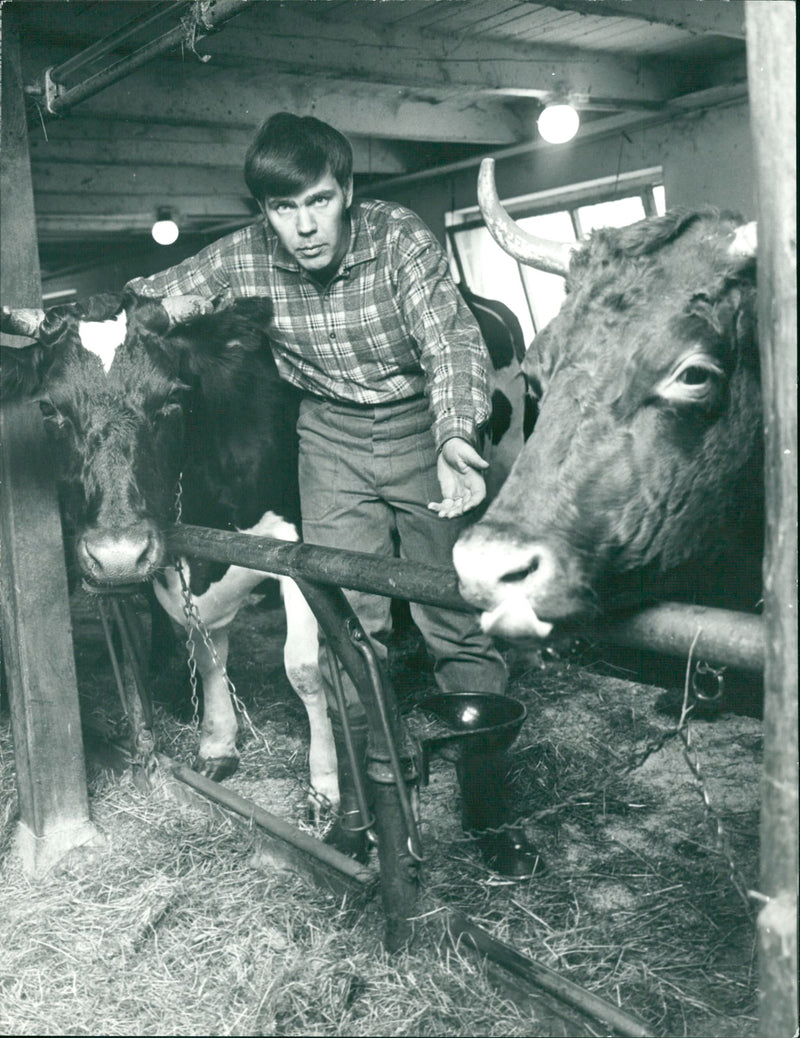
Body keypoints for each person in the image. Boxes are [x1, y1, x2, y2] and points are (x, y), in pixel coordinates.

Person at [126, 112, 539, 877]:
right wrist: (146, 320)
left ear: (346, 191)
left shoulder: (399, 238)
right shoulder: (245, 256)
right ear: (264, 213)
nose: (305, 226)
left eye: (318, 200)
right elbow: (152, 295)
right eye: (284, 209)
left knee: (454, 619)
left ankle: (489, 808)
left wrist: (455, 437)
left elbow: (449, 341)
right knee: (348, 626)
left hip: (422, 427)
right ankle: (372, 809)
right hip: (330, 439)